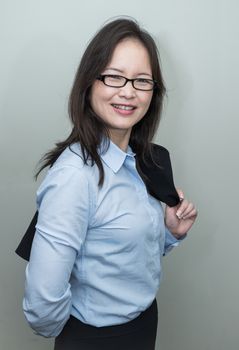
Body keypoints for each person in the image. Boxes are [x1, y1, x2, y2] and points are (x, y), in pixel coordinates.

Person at [23, 17, 197, 350]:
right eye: (114, 76)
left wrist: (169, 233)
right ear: (89, 83)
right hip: (97, 338)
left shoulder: (141, 160)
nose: (128, 91)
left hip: (144, 324)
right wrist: (82, 337)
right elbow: (43, 302)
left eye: (142, 80)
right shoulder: (74, 177)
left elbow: (122, 253)